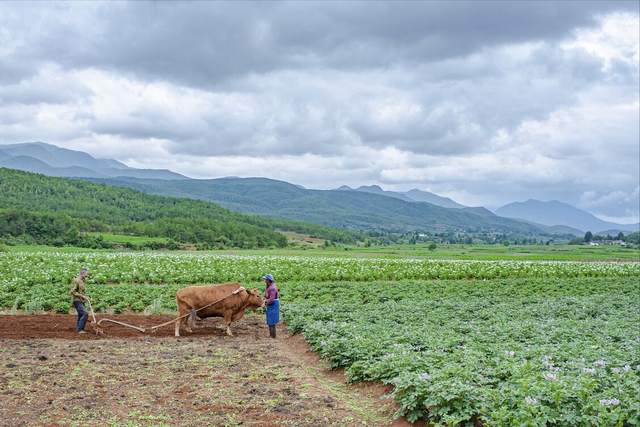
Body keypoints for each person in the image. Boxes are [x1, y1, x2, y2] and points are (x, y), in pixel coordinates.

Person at [70, 268, 90, 334]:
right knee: (85, 313)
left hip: (81, 301)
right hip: (77, 301)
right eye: (87, 274)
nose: (87, 275)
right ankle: (79, 330)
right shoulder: (76, 281)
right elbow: (72, 291)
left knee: (81, 315)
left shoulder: (82, 281)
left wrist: (85, 297)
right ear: (83, 273)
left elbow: (81, 292)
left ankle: (79, 329)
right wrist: (82, 296)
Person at [263, 273, 279, 338]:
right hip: (271, 305)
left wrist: (265, 302)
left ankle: (272, 335)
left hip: (273, 304)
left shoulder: (272, 288)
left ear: (269, 280)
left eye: (265, 279)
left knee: (272, 320)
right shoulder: (269, 285)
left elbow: (272, 299)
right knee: (270, 319)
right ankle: (272, 334)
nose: (264, 280)